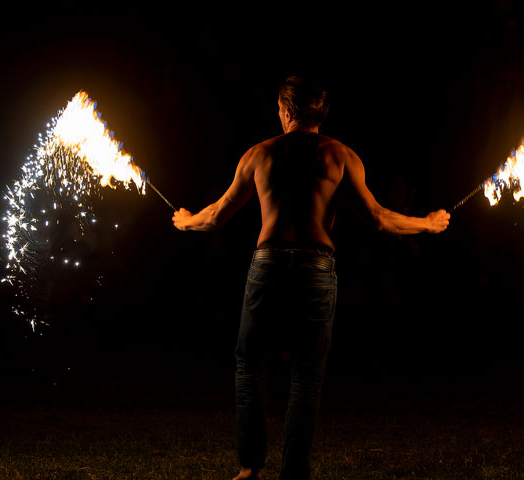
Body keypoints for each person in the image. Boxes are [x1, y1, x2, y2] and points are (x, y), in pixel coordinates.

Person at [172, 76, 450, 480]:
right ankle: (294, 471)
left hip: (268, 264)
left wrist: (186, 222)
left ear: (285, 111)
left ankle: (250, 467)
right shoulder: (340, 156)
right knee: (306, 371)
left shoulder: (259, 155)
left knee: (250, 364)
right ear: (320, 113)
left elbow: (216, 216)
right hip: (316, 268)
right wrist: (425, 224)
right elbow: (378, 219)